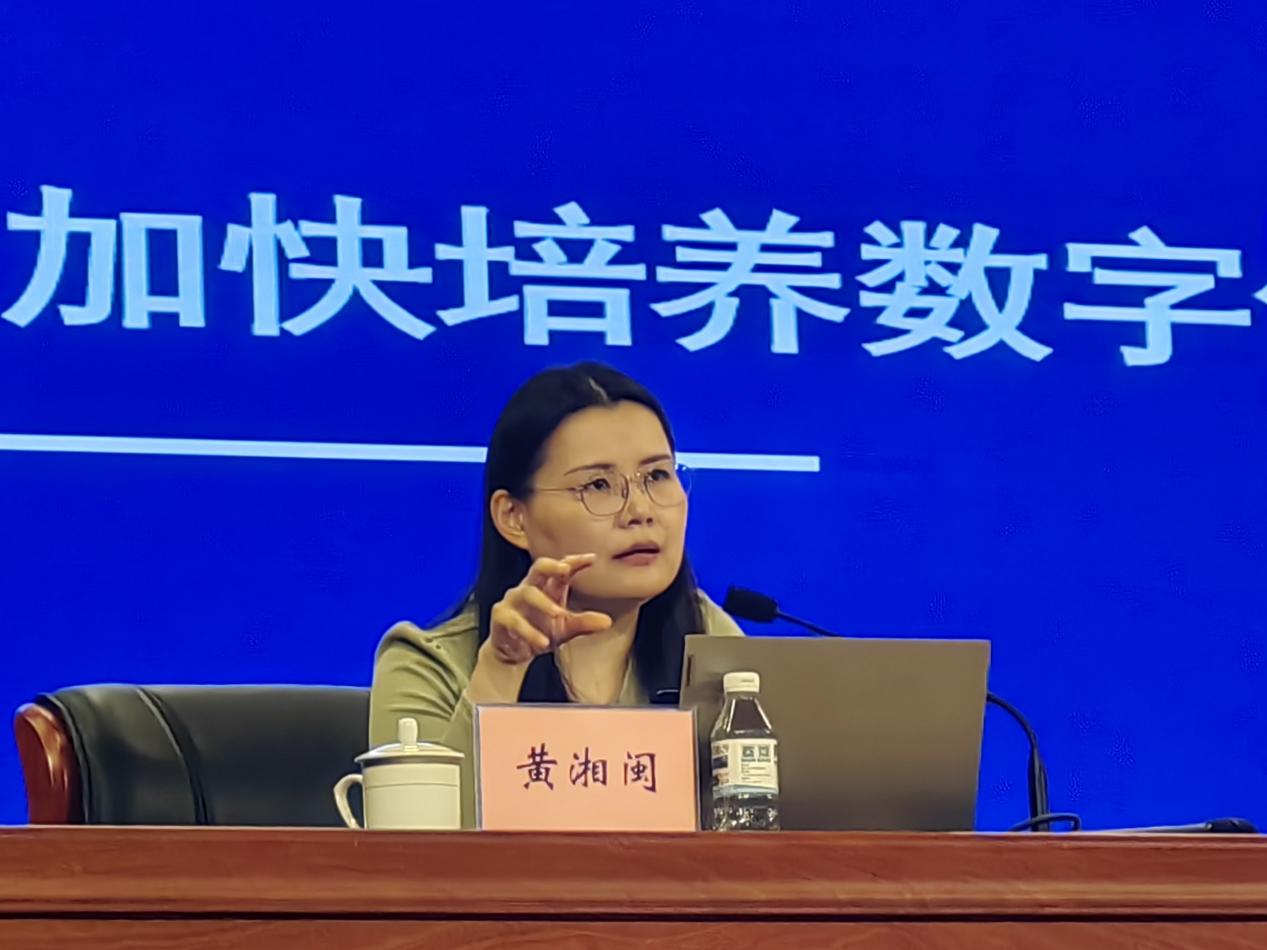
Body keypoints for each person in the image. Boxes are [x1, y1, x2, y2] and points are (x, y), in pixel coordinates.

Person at [369, 361, 743, 824]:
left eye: (657, 476)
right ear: (513, 517)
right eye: (598, 485)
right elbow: (416, 849)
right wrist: (501, 671)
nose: (641, 511)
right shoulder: (429, 664)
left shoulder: (711, 641)